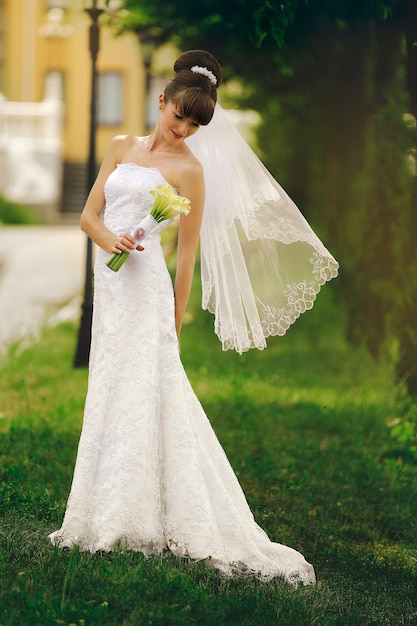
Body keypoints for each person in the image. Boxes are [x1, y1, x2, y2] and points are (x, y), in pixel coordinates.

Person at [49, 49, 338, 585]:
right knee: (111, 385)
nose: (183, 128)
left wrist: (174, 323)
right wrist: (111, 238)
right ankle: (101, 508)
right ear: (161, 101)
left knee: (146, 388)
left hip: (147, 290)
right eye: (179, 114)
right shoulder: (120, 147)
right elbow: (89, 215)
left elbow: (187, 257)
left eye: (195, 122)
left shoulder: (191, 171)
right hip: (111, 280)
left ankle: (137, 516)